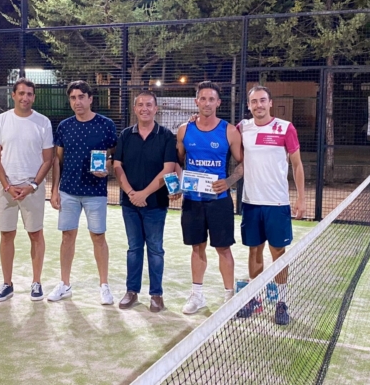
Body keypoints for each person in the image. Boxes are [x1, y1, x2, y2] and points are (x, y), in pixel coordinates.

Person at [237, 85, 306, 325]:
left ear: (270, 103)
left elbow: (297, 165)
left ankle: (281, 302)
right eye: (254, 101)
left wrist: (301, 197)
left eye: (262, 101)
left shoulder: (285, 128)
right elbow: (220, 133)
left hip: (277, 203)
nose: (258, 105)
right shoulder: (242, 128)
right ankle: (255, 298)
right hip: (251, 202)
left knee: (278, 253)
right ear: (249, 105)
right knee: (254, 251)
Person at [176, 81, 243, 315]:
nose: (207, 103)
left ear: (218, 103)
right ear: (196, 101)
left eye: (211, 99)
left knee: (223, 249)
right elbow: (177, 161)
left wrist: (229, 181)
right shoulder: (185, 129)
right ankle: (197, 296)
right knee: (197, 247)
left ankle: (229, 297)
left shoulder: (229, 131)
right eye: (202, 99)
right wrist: (178, 184)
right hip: (193, 201)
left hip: (219, 201)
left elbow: (242, 163)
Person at [48, 80, 117, 305]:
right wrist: (55, 190)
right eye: (73, 98)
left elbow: (113, 157)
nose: (77, 102)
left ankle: (104, 285)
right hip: (68, 191)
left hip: (95, 192)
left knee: (98, 237)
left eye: (81, 97)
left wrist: (106, 168)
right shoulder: (64, 126)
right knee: (67, 236)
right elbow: (58, 161)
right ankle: (65, 284)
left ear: (90, 98)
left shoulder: (106, 125)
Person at [0, 77, 54, 302]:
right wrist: (7, 185)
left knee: (36, 234)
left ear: (33, 97)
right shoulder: (1, 120)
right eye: (21, 93)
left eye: (29, 94)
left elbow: (48, 159)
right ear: (13, 95)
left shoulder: (43, 122)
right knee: (7, 235)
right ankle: (7, 284)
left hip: (32, 189)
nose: (25, 97)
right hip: (5, 189)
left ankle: (36, 282)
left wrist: (32, 185)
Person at [113, 91, 177, 313]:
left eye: (149, 105)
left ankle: (156, 294)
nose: (145, 109)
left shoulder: (167, 136)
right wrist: (131, 192)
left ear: (156, 108)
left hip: (156, 204)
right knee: (134, 248)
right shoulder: (125, 135)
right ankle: (132, 292)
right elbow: (117, 166)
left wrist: (144, 194)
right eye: (140, 105)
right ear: (135, 108)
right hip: (130, 205)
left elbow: (168, 169)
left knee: (156, 249)